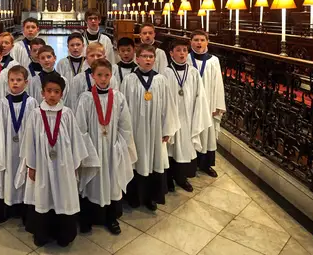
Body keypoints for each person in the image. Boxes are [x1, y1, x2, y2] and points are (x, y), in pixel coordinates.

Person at [18, 73, 99, 247]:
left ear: (62, 94)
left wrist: (75, 165)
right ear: (42, 93)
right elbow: (29, 142)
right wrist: (31, 166)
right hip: (41, 165)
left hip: (63, 166)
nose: (52, 95)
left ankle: (64, 234)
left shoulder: (67, 114)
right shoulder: (35, 114)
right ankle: (42, 233)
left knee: (63, 197)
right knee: (43, 197)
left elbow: (75, 140)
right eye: (49, 91)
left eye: (56, 91)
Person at [76, 58, 135, 235]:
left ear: (112, 75)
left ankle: (111, 217)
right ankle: (87, 218)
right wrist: (87, 151)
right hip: (92, 148)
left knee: (111, 181)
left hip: (111, 148)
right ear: (92, 76)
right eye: (99, 75)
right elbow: (80, 127)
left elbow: (125, 125)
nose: (103, 79)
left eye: (107, 75)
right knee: (91, 182)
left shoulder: (118, 97)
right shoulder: (85, 98)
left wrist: (120, 146)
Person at [121, 44, 180, 211]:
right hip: (135, 130)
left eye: (151, 57)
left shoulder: (161, 80)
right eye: (144, 56)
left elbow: (168, 106)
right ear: (137, 59)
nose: (148, 60)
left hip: (155, 131)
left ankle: (151, 197)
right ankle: (134, 197)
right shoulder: (129, 80)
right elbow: (123, 108)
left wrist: (167, 129)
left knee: (153, 160)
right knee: (137, 160)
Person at [162, 39, 212, 193]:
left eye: (185, 50)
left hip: (189, 118)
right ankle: (168, 180)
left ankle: (182, 178)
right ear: (171, 54)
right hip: (172, 118)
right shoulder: (165, 73)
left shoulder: (193, 72)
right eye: (178, 50)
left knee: (184, 149)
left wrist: (198, 116)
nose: (182, 53)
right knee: (170, 150)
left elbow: (200, 96)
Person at [0, 65, 38, 223]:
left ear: (26, 82)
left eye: (19, 80)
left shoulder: (32, 103)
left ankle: (25, 211)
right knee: (8, 174)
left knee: (24, 175)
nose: (15, 83)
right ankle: (5, 209)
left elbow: (35, 129)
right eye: (12, 80)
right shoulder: (2, 104)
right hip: (7, 149)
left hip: (24, 149)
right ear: (8, 82)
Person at [190, 30, 226, 178]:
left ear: (207, 42)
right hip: (191, 105)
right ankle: (191, 165)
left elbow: (218, 83)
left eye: (202, 40)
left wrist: (217, 105)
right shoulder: (185, 59)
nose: (199, 43)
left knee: (207, 134)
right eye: (196, 40)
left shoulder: (213, 61)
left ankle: (206, 165)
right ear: (190, 42)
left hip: (209, 104)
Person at [67, 42, 119, 110]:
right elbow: (73, 103)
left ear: (104, 57)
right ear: (86, 58)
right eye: (92, 55)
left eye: (99, 55)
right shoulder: (78, 79)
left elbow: (116, 101)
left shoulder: (111, 79)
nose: (95, 58)